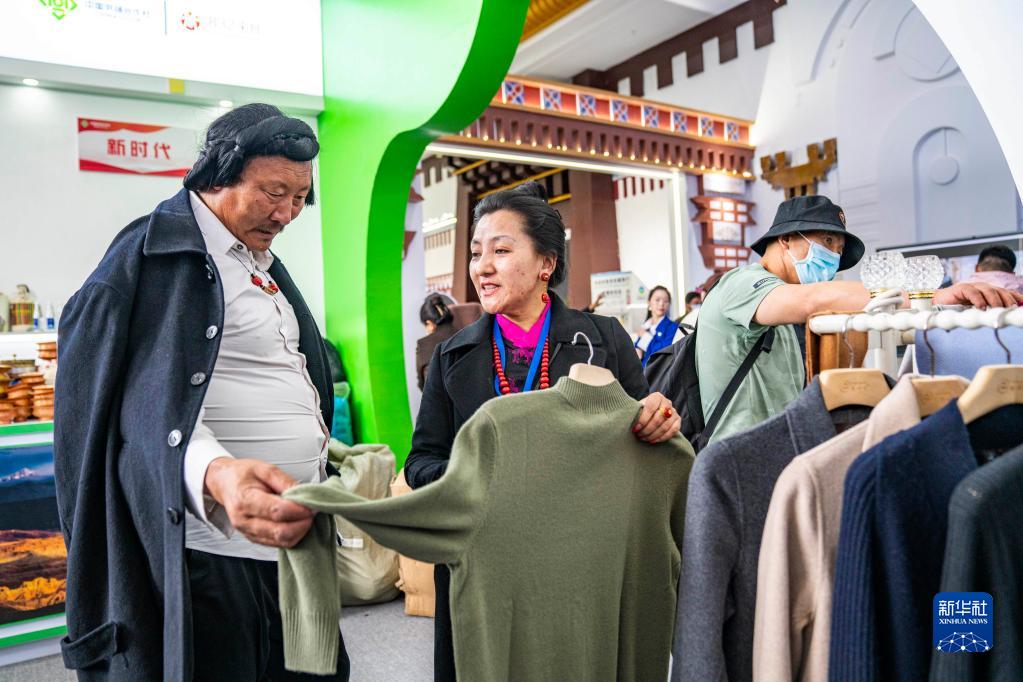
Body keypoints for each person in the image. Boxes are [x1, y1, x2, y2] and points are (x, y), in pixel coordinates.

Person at [54, 104, 350, 680]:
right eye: (273, 193)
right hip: (208, 553)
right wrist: (216, 474)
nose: (287, 213)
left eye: (299, 198)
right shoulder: (146, 260)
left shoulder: (258, 262)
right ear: (217, 173)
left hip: (294, 545)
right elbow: (133, 410)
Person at [404, 180, 682, 681]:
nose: (481, 267)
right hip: (489, 562)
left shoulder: (602, 340)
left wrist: (657, 418)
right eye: (476, 253)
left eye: (501, 250)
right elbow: (420, 462)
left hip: (582, 561)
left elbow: (640, 429)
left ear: (546, 264)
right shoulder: (452, 357)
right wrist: (473, 479)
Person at [697, 194, 1022, 444]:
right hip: (738, 454)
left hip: (781, 446)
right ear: (786, 239)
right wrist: (928, 296)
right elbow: (815, 298)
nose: (834, 256)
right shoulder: (742, 283)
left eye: (839, 250)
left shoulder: (790, 309)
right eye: (827, 242)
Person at [416, 293, 483, 390]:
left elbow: (422, 384)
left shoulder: (423, 344)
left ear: (429, 323)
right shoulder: (467, 335)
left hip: (440, 398)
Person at [635, 286, 680, 367]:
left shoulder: (673, 327)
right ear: (649, 303)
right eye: (657, 300)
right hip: (641, 372)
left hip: (658, 373)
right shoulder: (645, 327)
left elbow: (664, 353)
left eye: (666, 301)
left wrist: (646, 337)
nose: (661, 304)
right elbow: (636, 354)